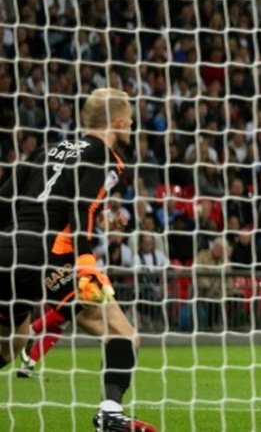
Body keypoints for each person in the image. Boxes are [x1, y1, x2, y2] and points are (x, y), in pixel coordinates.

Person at [0, 88, 156, 430]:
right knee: (123, 334)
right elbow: (80, 205)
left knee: (12, 346)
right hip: (53, 256)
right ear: (117, 122)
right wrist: (85, 259)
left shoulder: (45, 151)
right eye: (130, 117)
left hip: (9, 250)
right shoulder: (106, 157)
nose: (132, 122)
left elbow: (5, 199)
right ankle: (110, 414)